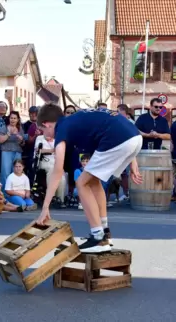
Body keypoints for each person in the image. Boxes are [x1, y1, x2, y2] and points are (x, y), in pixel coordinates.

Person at [35, 103, 143, 253]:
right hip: (134, 137)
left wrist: (45, 206)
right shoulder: (77, 121)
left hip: (118, 139)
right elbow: (119, 126)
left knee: (81, 183)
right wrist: (132, 161)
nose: (45, 135)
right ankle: (105, 232)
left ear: (46, 124)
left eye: (42, 130)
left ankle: (98, 237)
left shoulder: (62, 127)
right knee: (93, 181)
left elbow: (57, 170)